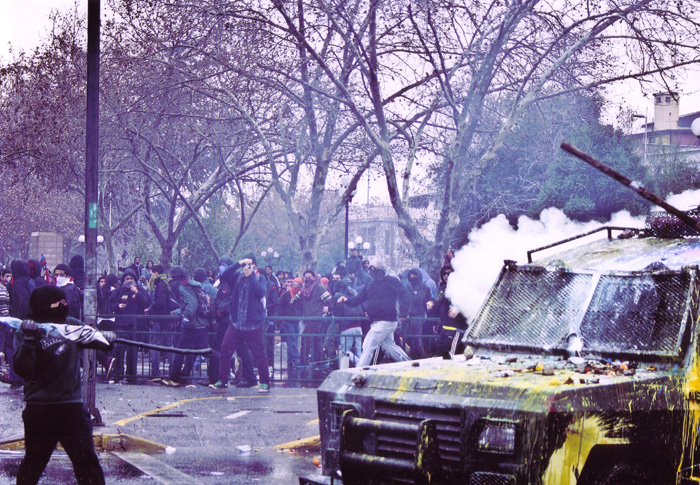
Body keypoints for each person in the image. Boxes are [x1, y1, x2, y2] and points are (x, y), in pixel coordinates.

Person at [13, 285, 115, 484]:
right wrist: (28, 339)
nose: (63, 306)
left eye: (64, 302)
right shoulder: (27, 330)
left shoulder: (71, 325)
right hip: (39, 409)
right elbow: (23, 369)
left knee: (88, 465)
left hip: (71, 408)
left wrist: (107, 338)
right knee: (32, 466)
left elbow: (95, 339)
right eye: (57, 303)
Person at [337, 257, 411, 368]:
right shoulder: (370, 284)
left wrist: (404, 313)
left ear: (382, 271)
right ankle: (410, 364)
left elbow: (405, 296)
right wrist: (346, 300)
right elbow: (357, 299)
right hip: (376, 321)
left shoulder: (392, 281)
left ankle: (359, 372)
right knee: (391, 347)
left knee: (368, 344)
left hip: (387, 321)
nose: (373, 274)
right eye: (371, 271)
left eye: (376, 271)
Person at [216, 257, 271, 392]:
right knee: (225, 349)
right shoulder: (237, 277)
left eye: (251, 264)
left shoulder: (260, 278)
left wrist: (250, 276)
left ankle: (264, 382)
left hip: (253, 324)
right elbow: (225, 275)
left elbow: (261, 292)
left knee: (259, 354)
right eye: (246, 264)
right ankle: (222, 380)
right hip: (236, 323)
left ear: (255, 266)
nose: (248, 266)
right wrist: (238, 264)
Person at [162, 266, 212, 387]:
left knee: (180, 351)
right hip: (201, 324)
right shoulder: (191, 285)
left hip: (193, 325)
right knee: (207, 351)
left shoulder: (182, 286)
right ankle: (220, 371)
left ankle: (174, 379)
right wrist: (178, 312)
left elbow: (191, 303)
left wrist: (186, 317)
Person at [110, 269, 150, 383]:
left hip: (135, 325)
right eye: (127, 279)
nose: (129, 281)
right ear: (123, 280)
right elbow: (111, 304)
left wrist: (137, 292)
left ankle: (131, 376)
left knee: (133, 351)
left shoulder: (140, 290)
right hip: (121, 325)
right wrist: (118, 306)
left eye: (131, 279)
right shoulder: (118, 291)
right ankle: (118, 374)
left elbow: (146, 302)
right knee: (119, 350)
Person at [428, 264, 468, 356]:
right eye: (444, 274)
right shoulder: (443, 288)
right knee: (441, 354)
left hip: (456, 330)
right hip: (444, 329)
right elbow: (438, 307)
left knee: (451, 356)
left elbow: (469, 302)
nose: (446, 276)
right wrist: (431, 307)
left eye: (449, 273)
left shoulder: (461, 287)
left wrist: (458, 309)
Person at [295, 270, 332, 367]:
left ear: (314, 278)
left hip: (315, 317)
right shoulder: (304, 288)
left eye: (309, 277)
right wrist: (293, 299)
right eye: (305, 277)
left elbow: (329, 299)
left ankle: (304, 361)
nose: (307, 279)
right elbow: (298, 297)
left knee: (305, 336)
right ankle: (320, 359)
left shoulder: (319, 288)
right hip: (308, 317)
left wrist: (326, 308)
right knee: (316, 338)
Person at [146, 265, 173, 379]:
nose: (151, 275)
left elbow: (160, 302)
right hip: (167, 318)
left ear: (156, 273)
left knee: (156, 344)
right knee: (168, 344)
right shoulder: (165, 283)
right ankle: (172, 369)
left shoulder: (159, 285)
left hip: (159, 318)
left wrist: (152, 307)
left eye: (151, 273)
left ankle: (155, 370)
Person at [406, 268, 433, 359]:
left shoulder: (425, 288)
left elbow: (429, 300)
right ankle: (414, 357)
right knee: (409, 339)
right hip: (408, 317)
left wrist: (430, 303)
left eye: (414, 275)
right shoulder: (407, 287)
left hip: (419, 316)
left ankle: (420, 358)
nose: (412, 277)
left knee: (417, 340)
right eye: (411, 276)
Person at [276, 278, 302, 370]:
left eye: (298, 285)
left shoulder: (300, 296)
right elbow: (279, 305)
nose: (295, 287)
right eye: (293, 284)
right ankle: (295, 358)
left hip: (296, 321)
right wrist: (282, 319)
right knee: (291, 339)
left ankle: (291, 360)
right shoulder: (286, 295)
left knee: (294, 339)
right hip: (287, 321)